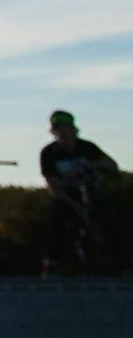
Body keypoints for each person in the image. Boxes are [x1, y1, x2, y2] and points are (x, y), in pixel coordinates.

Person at [40, 110, 117, 276]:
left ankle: (117, 260)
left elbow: (112, 165)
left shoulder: (87, 148)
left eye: (65, 128)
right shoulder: (48, 153)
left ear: (73, 129)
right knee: (55, 218)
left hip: (90, 192)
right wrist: (75, 206)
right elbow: (53, 186)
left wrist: (91, 166)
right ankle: (54, 261)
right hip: (65, 197)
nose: (62, 132)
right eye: (58, 129)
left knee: (109, 216)